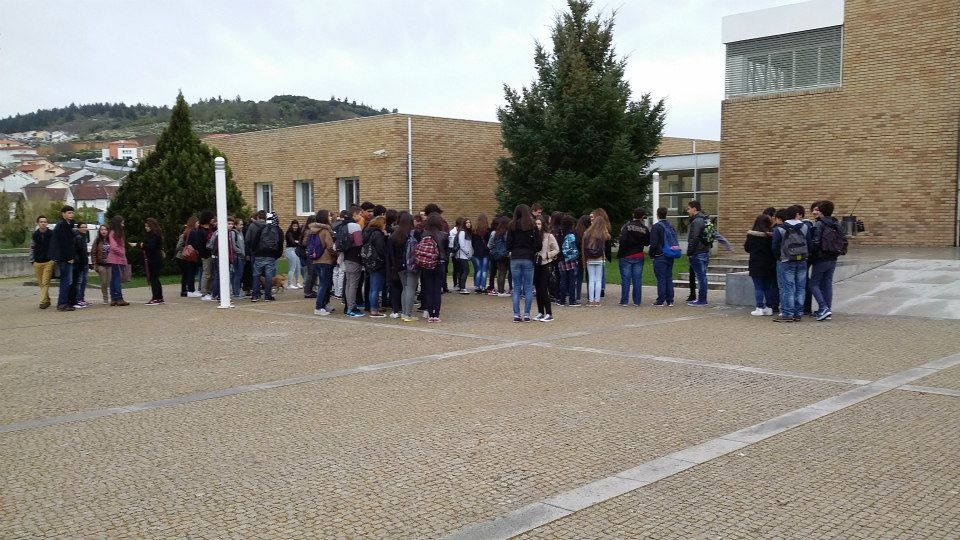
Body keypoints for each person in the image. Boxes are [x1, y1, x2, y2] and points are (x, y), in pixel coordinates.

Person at [772, 205, 811, 322]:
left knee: (788, 287)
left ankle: (787, 313)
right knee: (800, 287)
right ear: (797, 214)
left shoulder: (780, 229)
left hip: (786, 260)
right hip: (802, 260)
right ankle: (798, 313)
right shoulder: (805, 227)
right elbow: (810, 244)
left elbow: (774, 247)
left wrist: (780, 257)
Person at [506, 204, 539, 322]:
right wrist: (532, 250)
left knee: (517, 287)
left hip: (515, 257)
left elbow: (508, 244)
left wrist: (512, 249)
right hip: (528, 257)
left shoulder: (512, 225)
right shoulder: (532, 225)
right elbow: (538, 243)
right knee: (528, 287)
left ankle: (516, 314)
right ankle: (526, 314)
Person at [809, 200, 841, 321]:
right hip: (833, 256)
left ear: (821, 211)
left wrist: (812, 256)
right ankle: (828, 308)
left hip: (821, 258)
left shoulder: (819, 224)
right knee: (827, 284)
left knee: (813, 284)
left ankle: (823, 307)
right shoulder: (835, 222)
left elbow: (816, 242)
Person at [305, 210, 336, 315]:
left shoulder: (312, 230)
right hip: (326, 260)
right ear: (324, 218)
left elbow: (305, 242)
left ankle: (323, 305)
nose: (331, 217)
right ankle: (319, 307)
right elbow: (330, 246)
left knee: (323, 283)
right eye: (329, 216)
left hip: (315, 259)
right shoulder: (325, 231)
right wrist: (335, 252)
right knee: (324, 284)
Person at [744, 214, 776, 316]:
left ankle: (759, 307)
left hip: (756, 263)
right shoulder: (772, 235)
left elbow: (747, 248)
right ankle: (769, 307)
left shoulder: (752, 235)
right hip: (769, 263)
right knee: (768, 287)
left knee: (758, 287)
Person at [618, 208, 650, 307]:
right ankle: (637, 301)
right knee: (637, 279)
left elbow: (622, 240)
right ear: (643, 217)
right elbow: (647, 242)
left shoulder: (627, 226)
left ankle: (624, 301)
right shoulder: (644, 228)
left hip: (626, 255)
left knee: (626, 279)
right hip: (639, 255)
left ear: (633, 215)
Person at [47, 205, 77, 312]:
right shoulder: (62, 225)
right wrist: (69, 257)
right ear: (63, 214)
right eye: (69, 213)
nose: (71, 215)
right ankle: (63, 303)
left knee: (67, 280)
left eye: (72, 213)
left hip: (65, 257)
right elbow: (64, 243)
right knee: (66, 280)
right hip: (64, 257)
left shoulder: (67, 225)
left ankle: (64, 302)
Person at [421, 212, 449, 322]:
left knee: (428, 289)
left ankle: (429, 311)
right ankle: (435, 314)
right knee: (437, 290)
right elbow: (447, 250)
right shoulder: (444, 235)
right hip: (440, 263)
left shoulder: (423, 234)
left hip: (426, 264)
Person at [392, 212, 419, 322]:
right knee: (411, 288)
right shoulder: (414, 233)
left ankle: (404, 312)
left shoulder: (395, 234)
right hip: (411, 264)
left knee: (405, 287)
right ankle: (407, 314)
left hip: (399, 265)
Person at [249, 211, 283, 302]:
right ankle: (268, 295)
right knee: (269, 276)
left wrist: (254, 252)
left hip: (259, 254)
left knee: (256, 275)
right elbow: (280, 245)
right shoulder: (278, 230)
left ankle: (255, 295)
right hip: (271, 255)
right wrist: (277, 255)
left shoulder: (261, 228)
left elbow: (255, 242)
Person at [339, 205, 366, 317]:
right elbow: (359, 243)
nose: (361, 216)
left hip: (346, 256)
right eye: (359, 214)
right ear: (354, 214)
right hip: (355, 257)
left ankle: (349, 306)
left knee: (349, 283)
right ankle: (351, 308)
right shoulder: (355, 226)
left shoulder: (343, 225)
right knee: (353, 284)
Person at [132, 218, 165, 305]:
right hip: (154, 258)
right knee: (155, 278)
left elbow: (150, 246)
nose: (146, 228)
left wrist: (139, 244)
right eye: (145, 226)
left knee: (153, 278)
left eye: (147, 226)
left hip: (154, 258)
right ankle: (159, 297)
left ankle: (156, 297)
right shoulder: (154, 234)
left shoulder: (154, 234)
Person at [685, 200, 712, 306]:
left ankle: (702, 299)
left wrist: (689, 252)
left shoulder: (696, 221)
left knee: (701, 277)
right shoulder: (704, 219)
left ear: (694, 208)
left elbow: (694, 238)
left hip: (698, 252)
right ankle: (702, 298)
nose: (688, 211)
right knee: (702, 276)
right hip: (705, 250)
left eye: (689, 208)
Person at [649, 207, 677, 307]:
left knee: (661, 278)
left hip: (660, 255)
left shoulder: (656, 227)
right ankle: (670, 300)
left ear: (657, 214)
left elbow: (653, 243)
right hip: (670, 254)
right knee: (668, 277)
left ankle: (660, 300)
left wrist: (651, 255)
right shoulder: (670, 226)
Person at [534, 216, 559, 321]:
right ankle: (540, 311)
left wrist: (547, 255)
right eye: (536, 224)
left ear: (543, 225)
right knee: (538, 289)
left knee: (544, 289)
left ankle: (549, 313)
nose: (537, 226)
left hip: (545, 264)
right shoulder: (533, 236)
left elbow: (556, 249)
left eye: (539, 224)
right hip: (536, 264)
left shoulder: (548, 236)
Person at [582, 211, 610, 307]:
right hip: (599, 258)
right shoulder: (602, 233)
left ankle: (590, 300)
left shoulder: (587, 232)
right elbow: (608, 237)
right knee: (598, 280)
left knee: (591, 280)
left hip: (590, 258)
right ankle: (597, 301)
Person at [363, 216, 389, 317]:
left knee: (372, 288)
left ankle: (372, 307)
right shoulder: (377, 234)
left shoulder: (367, 232)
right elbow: (381, 249)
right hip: (378, 263)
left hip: (369, 262)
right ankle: (374, 309)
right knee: (375, 288)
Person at [30, 215, 54, 309]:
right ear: (38, 223)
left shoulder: (51, 234)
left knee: (45, 282)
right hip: (37, 262)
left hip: (48, 261)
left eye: (45, 222)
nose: (43, 223)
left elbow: (55, 246)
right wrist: (32, 260)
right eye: (41, 222)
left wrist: (54, 258)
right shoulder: (34, 235)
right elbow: (32, 247)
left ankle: (42, 302)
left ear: (47, 223)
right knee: (41, 283)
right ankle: (47, 300)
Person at [557, 214, 580, 307]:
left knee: (563, 280)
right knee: (572, 280)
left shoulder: (559, 233)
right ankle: (572, 300)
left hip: (562, 259)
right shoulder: (573, 234)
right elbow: (577, 245)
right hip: (572, 260)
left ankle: (562, 300)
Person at [106, 215, 129, 306]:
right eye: (122, 223)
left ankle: (114, 298)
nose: (123, 225)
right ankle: (119, 298)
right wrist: (122, 253)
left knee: (114, 279)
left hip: (116, 259)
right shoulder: (113, 233)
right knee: (117, 279)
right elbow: (114, 246)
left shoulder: (115, 233)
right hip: (117, 259)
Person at [175, 216, 199, 297]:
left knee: (187, 273)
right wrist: (187, 249)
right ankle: (184, 290)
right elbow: (178, 246)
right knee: (186, 274)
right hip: (182, 257)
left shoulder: (193, 232)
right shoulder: (185, 234)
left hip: (187, 257)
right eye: (197, 223)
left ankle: (186, 290)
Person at [488, 216, 510, 296]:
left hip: (497, 254)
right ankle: (501, 291)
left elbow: (491, 244)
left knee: (500, 272)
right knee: (503, 272)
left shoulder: (497, 232)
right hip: (504, 254)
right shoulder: (505, 232)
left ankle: (500, 289)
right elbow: (507, 243)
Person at [450, 217, 474, 293]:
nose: (468, 224)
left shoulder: (468, 233)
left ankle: (461, 286)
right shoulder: (462, 232)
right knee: (466, 270)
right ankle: (463, 287)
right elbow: (462, 245)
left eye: (469, 222)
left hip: (466, 255)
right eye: (467, 223)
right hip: (462, 255)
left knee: (462, 270)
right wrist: (467, 253)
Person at [69, 222, 90, 308]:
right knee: (79, 281)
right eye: (82, 227)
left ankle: (81, 298)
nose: (84, 229)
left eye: (85, 227)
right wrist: (79, 261)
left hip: (84, 262)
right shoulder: (78, 237)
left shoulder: (83, 237)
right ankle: (77, 299)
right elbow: (78, 251)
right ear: (78, 228)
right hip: (80, 263)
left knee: (83, 282)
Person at [91, 224, 112, 305]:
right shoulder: (97, 240)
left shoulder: (111, 240)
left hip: (110, 264)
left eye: (105, 229)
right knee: (104, 282)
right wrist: (95, 265)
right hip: (101, 264)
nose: (103, 231)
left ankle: (113, 297)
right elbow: (93, 253)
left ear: (108, 230)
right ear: (99, 231)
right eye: (102, 229)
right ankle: (105, 298)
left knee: (111, 281)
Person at [197, 211, 216, 298]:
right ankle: (204, 292)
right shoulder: (201, 230)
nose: (213, 219)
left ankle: (210, 290)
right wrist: (204, 255)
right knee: (207, 273)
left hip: (212, 253)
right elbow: (200, 245)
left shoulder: (212, 229)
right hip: (206, 255)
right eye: (211, 218)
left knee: (212, 274)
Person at [471, 214, 491, 294]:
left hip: (476, 252)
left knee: (478, 270)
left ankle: (477, 286)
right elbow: (489, 242)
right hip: (485, 252)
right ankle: (483, 286)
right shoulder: (488, 231)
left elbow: (472, 243)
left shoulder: (474, 231)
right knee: (484, 270)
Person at [284, 220, 303, 289]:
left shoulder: (299, 232)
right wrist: (297, 242)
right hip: (290, 249)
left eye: (296, 226)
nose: (295, 227)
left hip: (297, 249)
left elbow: (300, 241)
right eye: (294, 226)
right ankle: (290, 283)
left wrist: (297, 242)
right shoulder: (289, 232)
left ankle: (297, 282)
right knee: (292, 267)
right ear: (291, 226)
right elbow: (292, 242)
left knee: (298, 267)